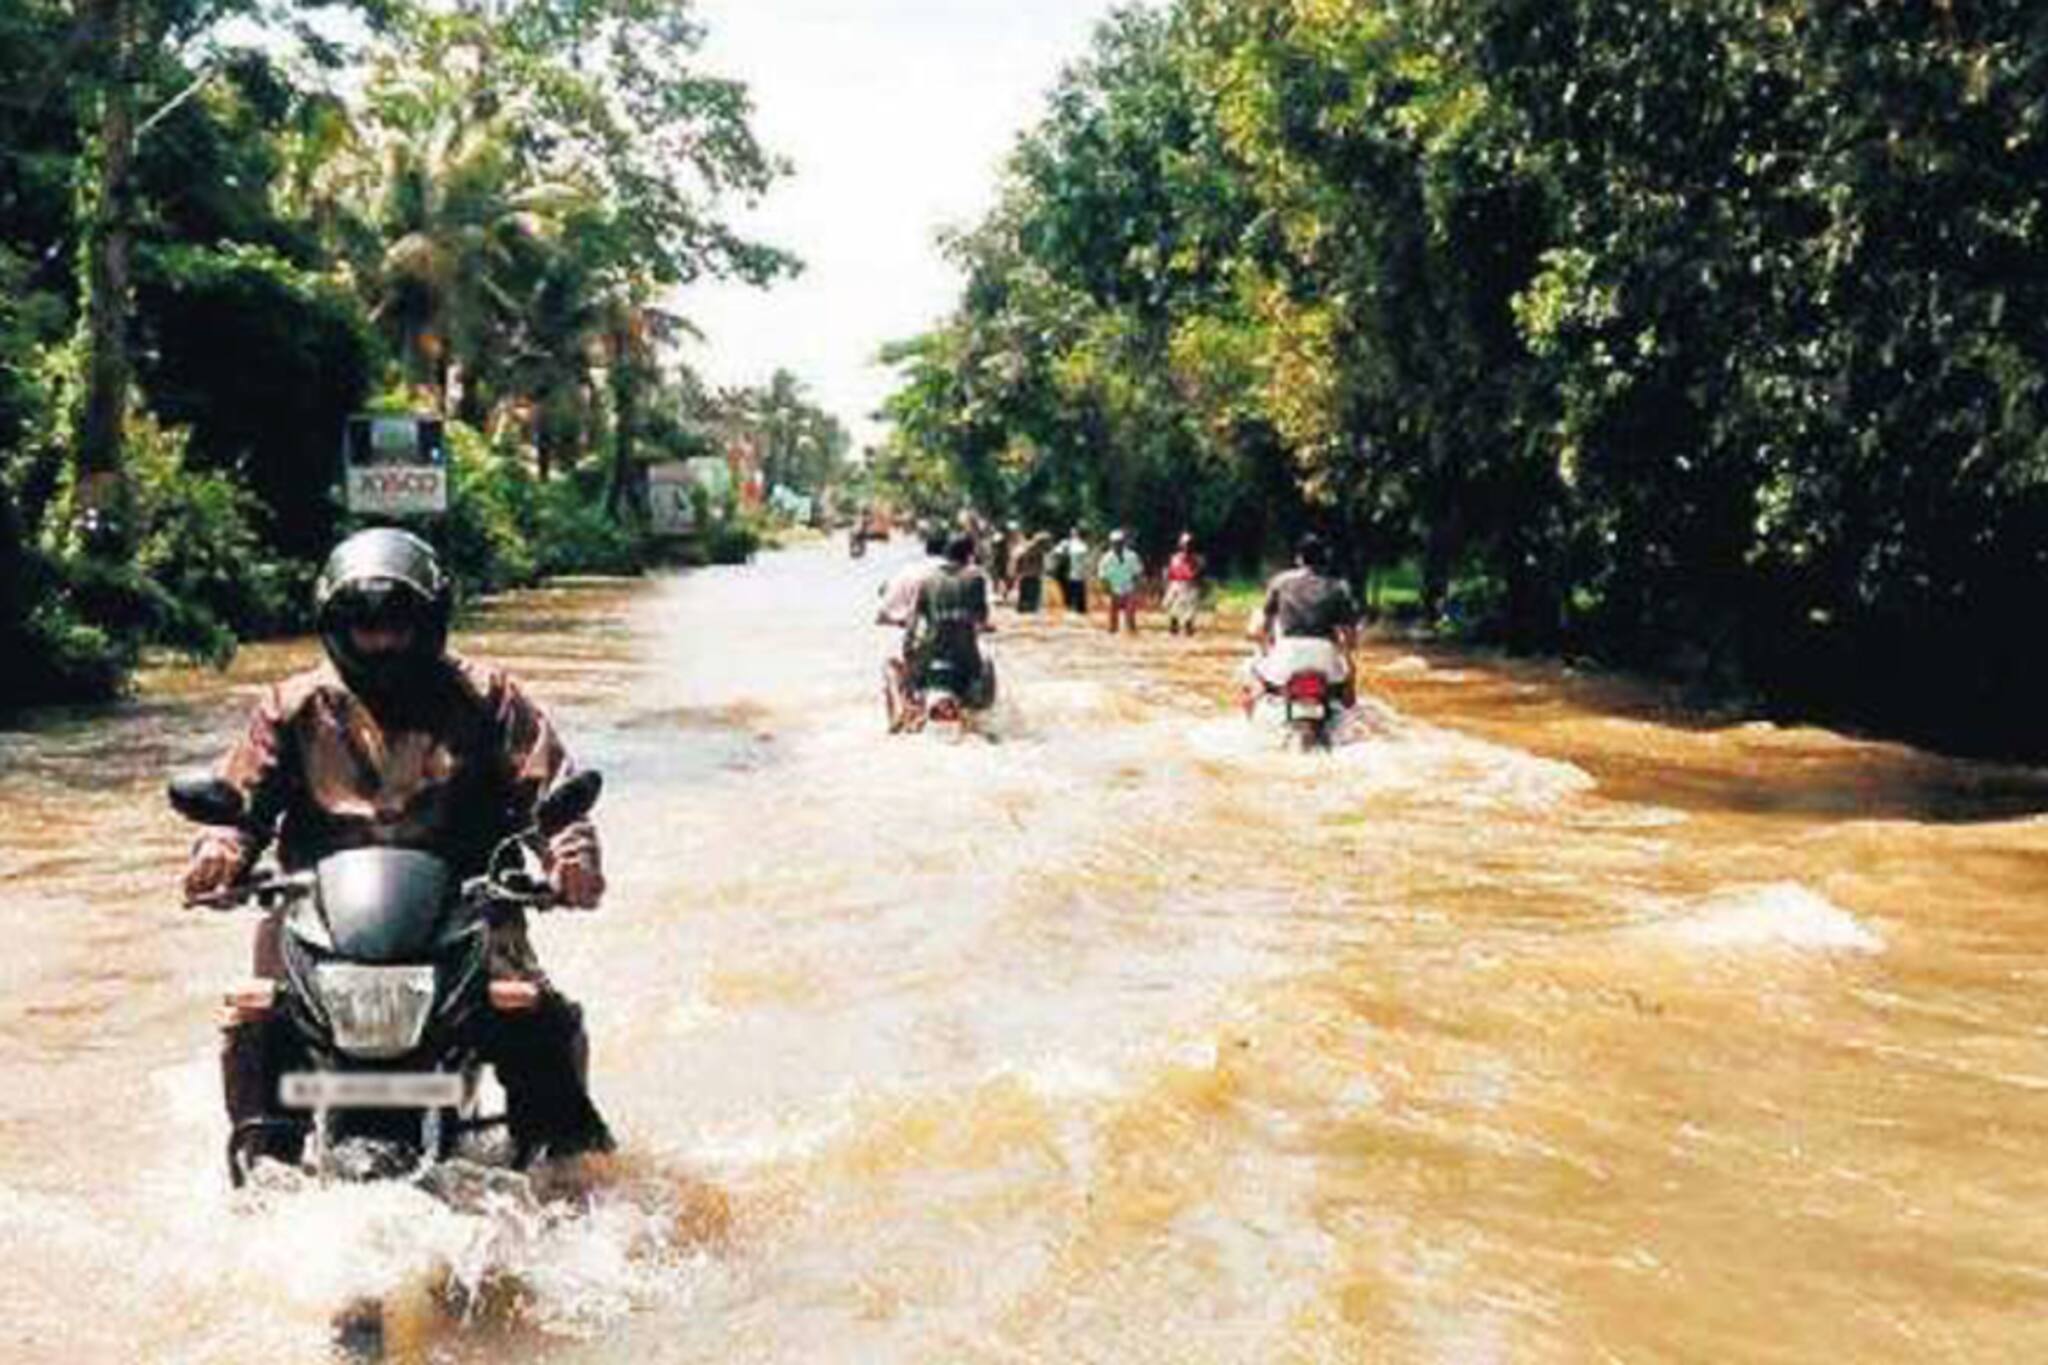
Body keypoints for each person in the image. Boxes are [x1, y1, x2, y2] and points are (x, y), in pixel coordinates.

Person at [181, 527, 614, 1167]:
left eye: (396, 625)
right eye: (365, 627)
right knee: (256, 1018)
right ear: (335, 626)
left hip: (468, 911)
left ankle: (569, 1175)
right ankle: (259, 1171)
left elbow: (547, 789)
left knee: (533, 1016)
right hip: (316, 920)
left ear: (430, 621)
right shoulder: (290, 707)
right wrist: (218, 853)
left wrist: (570, 857)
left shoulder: (488, 697)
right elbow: (241, 802)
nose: (381, 641)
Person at [1251, 532, 1361, 706]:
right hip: (1325, 657)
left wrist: (1265, 649)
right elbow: (1350, 637)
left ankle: (1254, 713)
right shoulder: (1339, 588)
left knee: (1256, 673)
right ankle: (1348, 708)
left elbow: (1263, 627)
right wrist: (1348, 659)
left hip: (1288, 654)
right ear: (1326, 558)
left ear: (1299, 558)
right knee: (1348, 682)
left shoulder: (1280, 582)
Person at [907, 532, 996, 709]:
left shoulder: (927, 579)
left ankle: (911, 703)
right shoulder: (976, 578)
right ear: (969, 555)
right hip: (965, 652)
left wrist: (909, 647)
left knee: (912, 686)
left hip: (931, 649)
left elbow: (914, 618)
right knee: (984, 684)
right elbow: (981, 616)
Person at [876, 523, 951, 728]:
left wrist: (894, 619)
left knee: (891, 667)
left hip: (919, 642)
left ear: (926, 547)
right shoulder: (965, 573)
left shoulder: (908, 572)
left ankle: (899, 713)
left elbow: (884, 612)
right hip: (957, 642)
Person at [1097, 529, 1144, 635]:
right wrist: (1106, 590)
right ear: (1111, 543)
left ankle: (1131, 632)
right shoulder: (1106, 558)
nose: (1117, 545)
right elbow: (1102, 576)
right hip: (1113, 589)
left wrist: (1136, 589)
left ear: (1123, 542)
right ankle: (1113, 632)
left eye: (1119, 542)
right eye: (1115, 542)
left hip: (1129, 588)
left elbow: (1137, 573)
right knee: (1112, 615)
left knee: (1130, 615)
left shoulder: (1132, 556)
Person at [1163, 532, 1203, 636]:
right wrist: (1168, 583)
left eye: (1189, 544)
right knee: (1172, 607)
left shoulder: (1197, 559)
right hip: (1176, 584)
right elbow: (1170, 572)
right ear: (1180, 545)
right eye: (1185, 544)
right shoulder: (1175, 558)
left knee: (1190, 609)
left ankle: (1188, 626)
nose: (1187, 547)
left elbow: (1197, 574)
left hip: (1190, 585)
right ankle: (1174, 625)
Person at [1011, 530, 1052, 614]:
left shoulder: (1038, 551)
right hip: (1027, 576)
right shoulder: (1027, 549)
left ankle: (1030, 610)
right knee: (1026, 598)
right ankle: (1025, 609)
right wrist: (1017, 573)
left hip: (1033, 576)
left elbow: (1041, 564)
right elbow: (1018, 560)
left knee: (1032, 600)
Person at [1055, 526, 1090, 617]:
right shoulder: (1066, 543)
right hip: (1069, 574)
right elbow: (1057, 553)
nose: (1074, 535)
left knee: (1076, 594)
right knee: (1071, 594)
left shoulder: (1080, 545)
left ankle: (1077, 610)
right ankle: (1074, 610)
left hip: (1076, 574)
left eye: (1075, 533)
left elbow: (1084, 559)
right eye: (1073, 533)